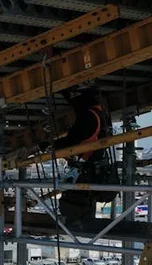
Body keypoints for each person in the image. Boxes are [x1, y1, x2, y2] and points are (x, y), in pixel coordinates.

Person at [40, 86, 118, 231]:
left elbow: (72, 141)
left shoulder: (88, 116)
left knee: (74, 202)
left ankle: (75, 226)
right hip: (96, 167)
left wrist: (47, 145)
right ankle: (81, 225)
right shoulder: (101, 114)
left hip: (85, 169)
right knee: (81, 201)